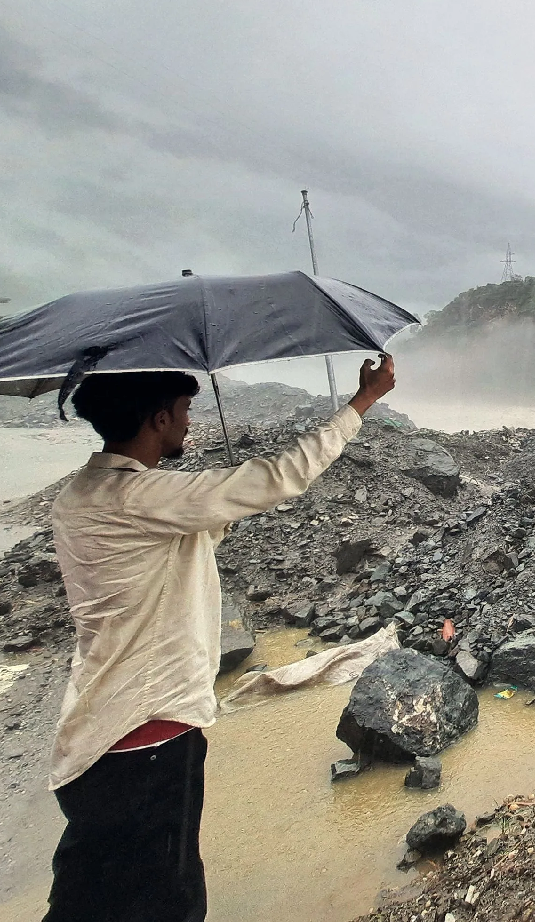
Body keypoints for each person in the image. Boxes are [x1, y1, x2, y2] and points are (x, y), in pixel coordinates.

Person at [41, 355, 397, 922]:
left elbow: (175, 541)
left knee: (88, 898)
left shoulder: (81, 497)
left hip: (93, 733)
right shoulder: (143, 498)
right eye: (183, 412)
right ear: (158, 418)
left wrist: (220, 508)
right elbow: (280, 476)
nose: (189, 424)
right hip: (148, 734)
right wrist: (362, 403)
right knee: (167, 900)